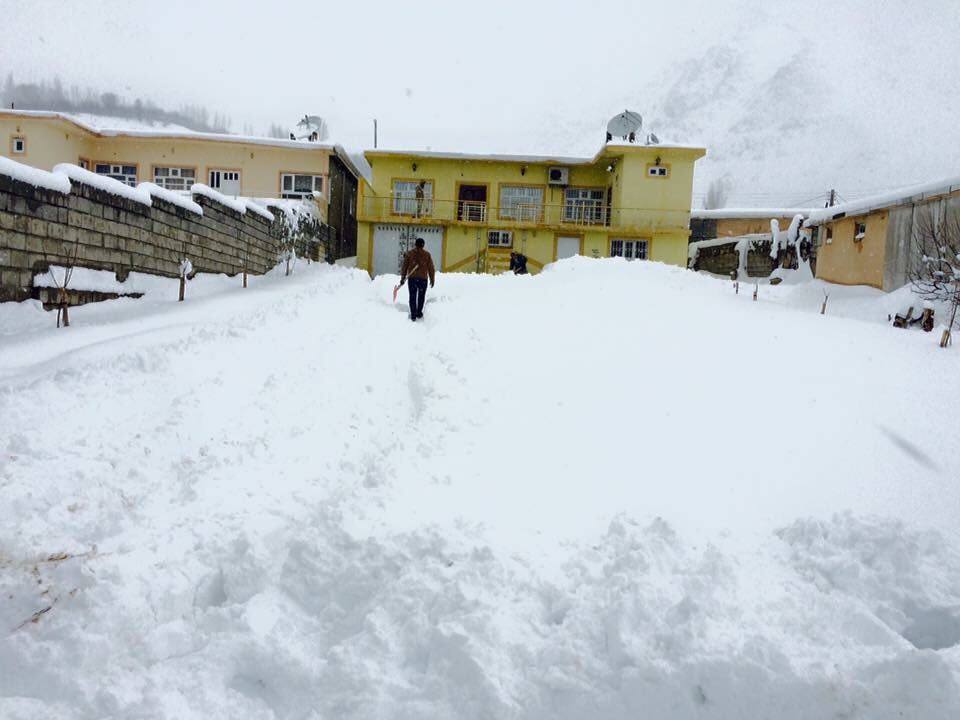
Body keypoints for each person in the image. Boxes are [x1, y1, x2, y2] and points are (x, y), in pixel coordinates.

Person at [400, 238, 435, 321]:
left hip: (412, 279)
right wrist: (432, 279)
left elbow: (404, 267)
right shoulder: (427, 255)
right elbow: (431, 268)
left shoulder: (409, 254)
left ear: (415, 244)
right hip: (423, 280)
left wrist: (403, 278)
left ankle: (413, 314)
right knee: (421, 296)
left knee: (412, 296)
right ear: (423, 245)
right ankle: (419, 312)